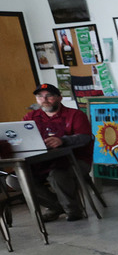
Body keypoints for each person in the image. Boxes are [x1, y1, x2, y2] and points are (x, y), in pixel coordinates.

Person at [14, 84, 93, 221]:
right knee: (15, 179)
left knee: (58, 175)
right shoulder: (30, 117)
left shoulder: (75, 115)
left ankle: (73, 210)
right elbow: (21, 138)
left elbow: (85, 137)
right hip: (40, 162)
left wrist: (63, 140)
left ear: (59, 98)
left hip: (74, 160)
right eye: (40, 96)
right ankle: (56, 205)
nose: (44, 99)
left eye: (49, 96)